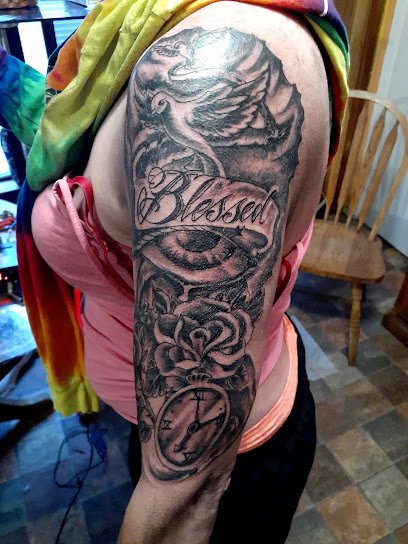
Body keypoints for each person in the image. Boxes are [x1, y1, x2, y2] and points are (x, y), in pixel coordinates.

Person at [1, 0, 348, 542]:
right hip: (153, 420)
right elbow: (64, 126)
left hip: (222, 467)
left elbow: (191, 493)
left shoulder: (220, 60)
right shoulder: (145, 21)